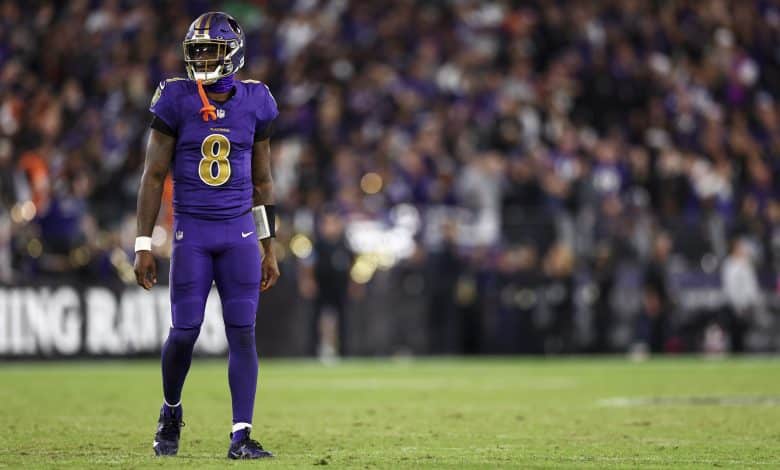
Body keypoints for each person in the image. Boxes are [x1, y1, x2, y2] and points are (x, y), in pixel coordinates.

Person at [133, 12, 280, 459]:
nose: (200, 59)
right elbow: (153, 175)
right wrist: (143, 244)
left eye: (209, 51)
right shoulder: (175, 97)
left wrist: (268, 246)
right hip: (192, 233)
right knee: (184, 331)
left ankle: (241, 435)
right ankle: (171, 410)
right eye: (195, 50)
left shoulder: (256, 100)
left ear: (233, 54)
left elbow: (263, 183)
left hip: (237, 234)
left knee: (243, 332)